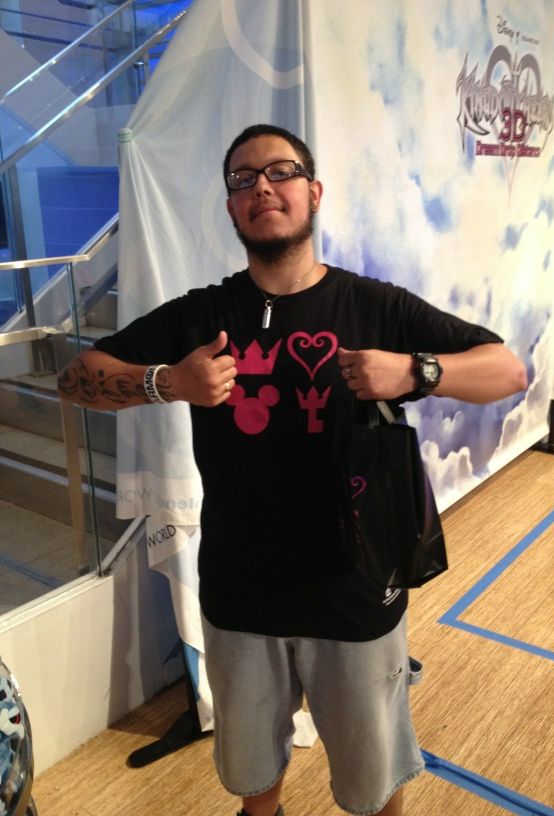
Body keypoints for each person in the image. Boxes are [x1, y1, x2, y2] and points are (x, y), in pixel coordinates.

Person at [58, 123, 527, 816]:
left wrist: (415, 371)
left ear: (314, 192)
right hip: (240, 593)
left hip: (356, 589)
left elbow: (507, 370)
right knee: (254, 780)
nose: (263, 187)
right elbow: (76, 378)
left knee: (373, 785)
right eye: (243, 179)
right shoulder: (203, 314)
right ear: (230, 207)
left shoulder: (374, 306)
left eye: (281, 172)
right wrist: (169, 382)